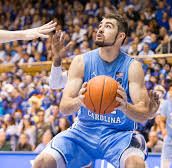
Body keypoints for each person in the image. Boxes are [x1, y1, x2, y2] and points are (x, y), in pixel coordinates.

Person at [33, 13, 160, 168]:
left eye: (108, 26)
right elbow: (64, 107)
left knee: (135, 164)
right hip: (83, 133)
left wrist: (125, 106)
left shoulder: (132, 67)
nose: (100, 29)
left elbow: (142, 115)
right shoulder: (81, 61)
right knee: (41, 163)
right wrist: (79, 101)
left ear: (121, 36)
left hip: (119, 135)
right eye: (100, 25)